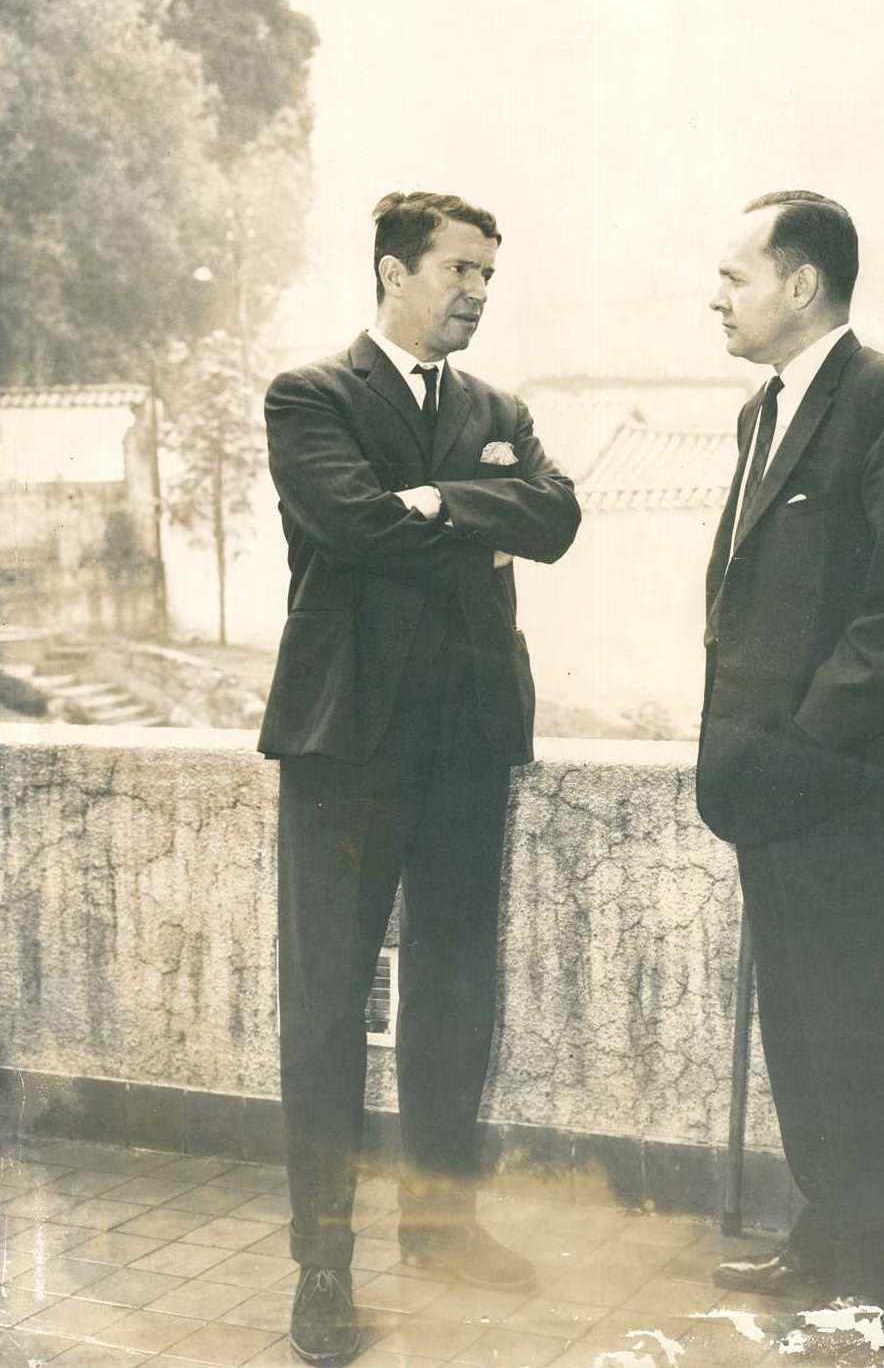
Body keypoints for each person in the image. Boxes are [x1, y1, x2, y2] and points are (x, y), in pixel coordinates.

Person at [259, 190, 581, 1366]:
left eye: (488, 274)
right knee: (327, 1005)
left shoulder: (500, 409)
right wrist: (472, 522)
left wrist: (443, 497)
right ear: (393, 272)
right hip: (346, 742)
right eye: (456, 269)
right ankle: (323, 1266)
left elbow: (556, 518)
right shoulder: (312, 396)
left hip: (467, 739)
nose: (477, 292)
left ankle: (441, 1227)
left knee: (455, 995)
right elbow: (349, 525)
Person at [696, 190, 884, 1333]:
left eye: (736, 275)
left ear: (801, 283)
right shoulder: (762, 412)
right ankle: (830, 1231)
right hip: (780, 796)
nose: (718, 295)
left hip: (860, 791)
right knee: (806, 1031)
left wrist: (803, 743)